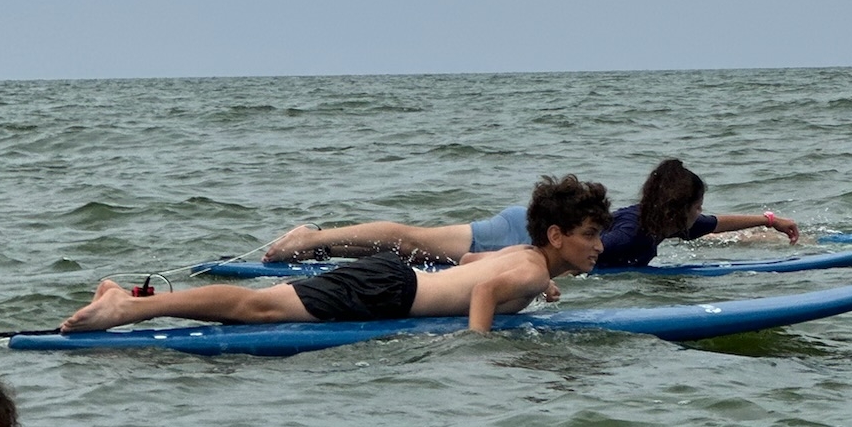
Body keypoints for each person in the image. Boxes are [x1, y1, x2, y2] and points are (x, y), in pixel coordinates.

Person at [66, 174, 614, 336]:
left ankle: (130, 304)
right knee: (260, 309)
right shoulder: (525, 264)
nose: (599, 245)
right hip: (387, 291)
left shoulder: (525, 256)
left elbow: (476, 268)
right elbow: (486, 289)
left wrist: (541, 285)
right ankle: (127, 307)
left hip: (395, 282)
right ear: (558, 235)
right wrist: (480, 347)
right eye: (590, 234)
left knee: (262, 306)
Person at [261, 158, 799, 269]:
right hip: (524, 232)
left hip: (539, 234)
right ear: (678, 207)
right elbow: (568, 250)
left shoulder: (664, 224)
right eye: (697, 206)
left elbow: (718, 223)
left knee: (414, 250)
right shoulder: (631, 230)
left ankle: (326, 249)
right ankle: (311, 236)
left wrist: (769, 222)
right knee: (414, 239)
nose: (702, 215)